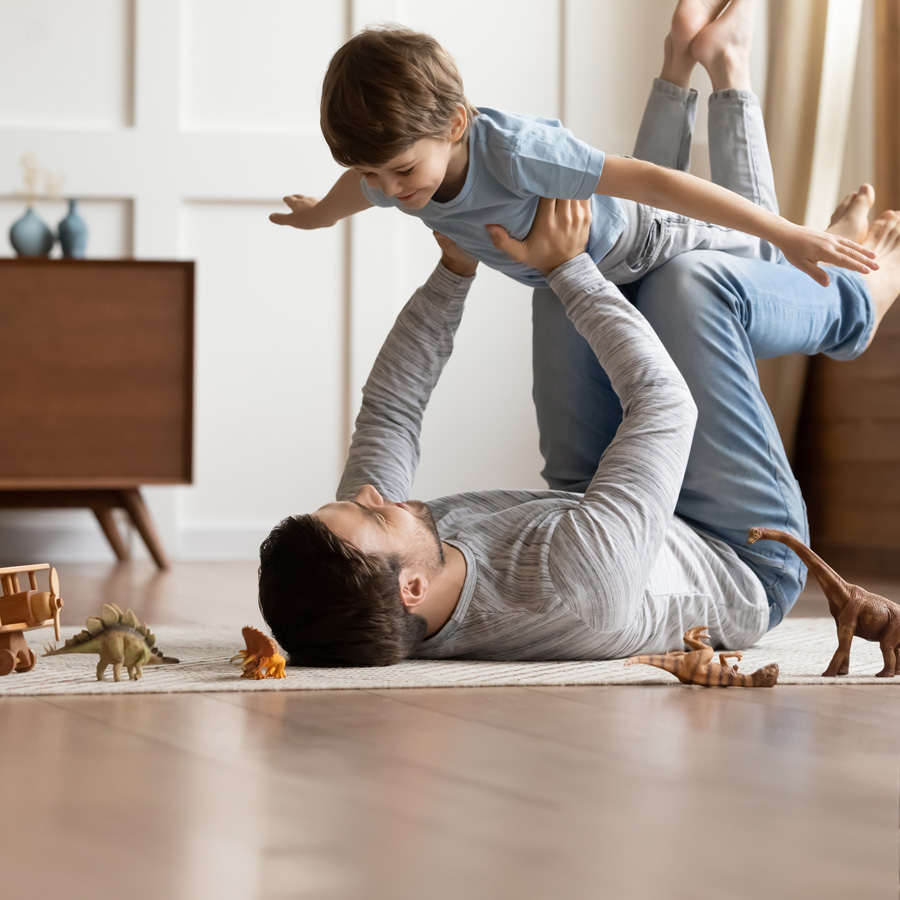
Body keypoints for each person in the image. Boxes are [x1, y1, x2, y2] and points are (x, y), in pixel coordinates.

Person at [257, 190, 900, 666]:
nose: (373, 495)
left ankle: (804, 263)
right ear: (413, 589)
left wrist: (454, 269)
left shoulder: (384, 572)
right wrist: (567, 270)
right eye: (371, 515)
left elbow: (392, 410)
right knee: (688, 286)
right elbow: (665, 406)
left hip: (597, 505)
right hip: (740, 550)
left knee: (565, 272)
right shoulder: (573, 588)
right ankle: (853, 301)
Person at [269, 0, 874, 293]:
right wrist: (319, 216)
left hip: (644, 240)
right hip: (610, 245)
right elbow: (359, 189)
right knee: (637, 196)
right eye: (374, 174)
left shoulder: (513, 153)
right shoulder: (397, 173)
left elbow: (653, 182)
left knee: (764, 263)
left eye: (397, 170)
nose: (391, 190)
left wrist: (785, 232)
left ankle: (728, 62)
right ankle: (680, 54)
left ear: (455, 124)